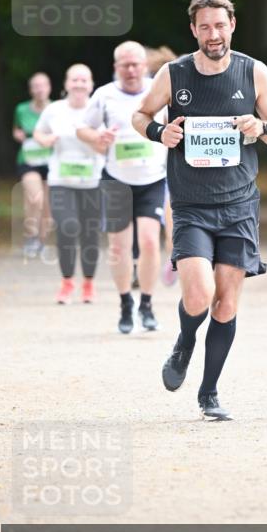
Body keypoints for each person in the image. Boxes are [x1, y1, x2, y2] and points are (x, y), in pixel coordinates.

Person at [132, 0, 267, 420]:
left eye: (220, 25)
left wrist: (260, 126)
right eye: (205, 27)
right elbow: (140, 115)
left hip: (239, 205)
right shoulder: (174, 73)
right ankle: (184, 344)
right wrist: (157, 133)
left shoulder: (254, 72)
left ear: (232, 25)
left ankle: (209, 393)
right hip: (191, 205)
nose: (214, 34)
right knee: (199, 295)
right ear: (193, 30)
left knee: (227, 302)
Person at [77, 41, 167, 334]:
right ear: (116, 67)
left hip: (153, 178)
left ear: (145, 65)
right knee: (119, 246)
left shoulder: (159, 89)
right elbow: (82, 129)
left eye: (135, 64)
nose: (130, 70)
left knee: (151, 241)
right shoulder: (104, 95)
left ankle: (147, 304)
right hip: (117, 179)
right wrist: (97, 137)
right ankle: (126, 302)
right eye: (124, 65)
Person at [33, 64, 104, 304]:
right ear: (66, 84)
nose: (79, 84)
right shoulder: (54, 110)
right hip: (60, 180)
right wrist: (47, 140)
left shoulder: (98, 110)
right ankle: (66, 282)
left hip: (92, 181)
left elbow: (106, 144)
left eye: (84, 80)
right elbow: (38, 133)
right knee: (66, 227)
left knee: (90, 235)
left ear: (91, 84)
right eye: (75, 80)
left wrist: (97, 143)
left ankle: (88, 283)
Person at [146, 46, 179, 286]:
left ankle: (173, 259)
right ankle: (171, 258)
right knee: (165, 222)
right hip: (153, 170)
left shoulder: (171, 94)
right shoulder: (148, 96)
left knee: (170, 221)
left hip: (167, 170)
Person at [13, 72, 53, 257]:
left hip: (51, 160)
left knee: (47, 204)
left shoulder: (56, 108)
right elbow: (16, 130)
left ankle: (42, 242)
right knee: (34, 197)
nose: (39, 89)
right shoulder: (21, 109)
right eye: (35, 86)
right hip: (29, 160)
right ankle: (31, 236)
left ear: (49, 87)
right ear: (31, 90)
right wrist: (18, 135)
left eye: (42, 85)